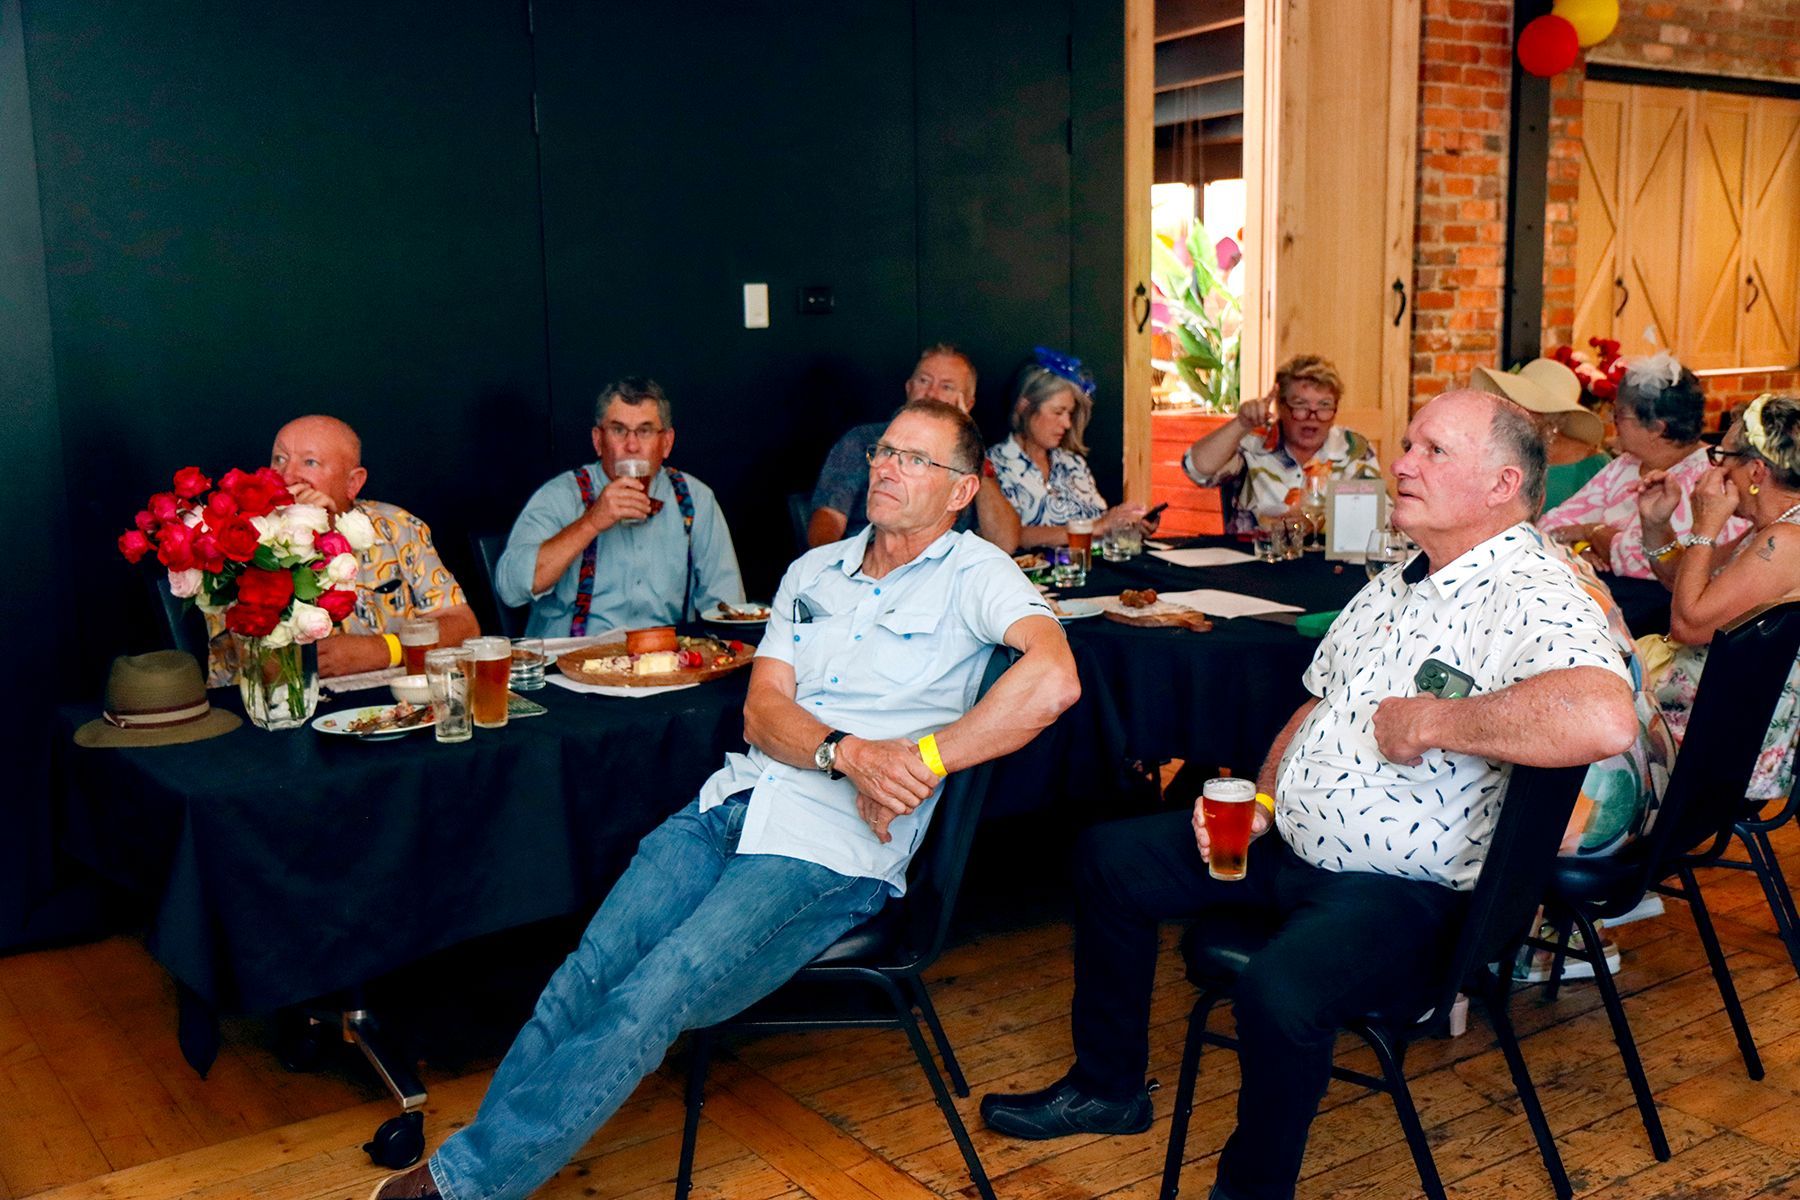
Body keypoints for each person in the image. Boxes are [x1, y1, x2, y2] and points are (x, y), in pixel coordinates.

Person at [369, 399, 1080, 1200]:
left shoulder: (975, 573)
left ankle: (461, 1186)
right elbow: (761, 713)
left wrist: (910, 762)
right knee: (584, 975)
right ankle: (478, 1169)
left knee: (647, 997)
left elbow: (1054, 680)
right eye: (885, 452)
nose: (886, 468)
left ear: (960, 491)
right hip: (732, 805)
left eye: (916, 460)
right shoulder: (814, 573)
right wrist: (849, 754)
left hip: (830, 848)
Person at [979, 389, 1637, 1200]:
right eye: (1407, 445)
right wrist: (1259, 804)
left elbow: (1603, 716)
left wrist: (1438, 719)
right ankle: (1109, 1088)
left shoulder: (1534, 591)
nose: (1401, 464)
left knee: (1278, 990)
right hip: (1293, 846)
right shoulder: (1402, 578)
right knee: (1109, 857)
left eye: (1432, 451)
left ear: (1502, 484)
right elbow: (1318, 705)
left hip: (1406, 892)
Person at [204, 415, 479, 683]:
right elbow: (267, 671)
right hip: (278, 712)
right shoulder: (241, 542)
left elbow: (463, 626)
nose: (287, 475)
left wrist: (384, 650)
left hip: (392, 702)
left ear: (353, 483)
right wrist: (303, 544)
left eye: (310, 462)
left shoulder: (398, 527)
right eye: (280, 459)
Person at [1636, 393, 1800, 801]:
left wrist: (1707, 523)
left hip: (1719, 743)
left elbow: (1689, 623)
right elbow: (1689, 585)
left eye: (1724, 456)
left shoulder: (1785, 543)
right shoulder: (1775, 530)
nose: (1717, 468)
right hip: (1714, 718)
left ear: (1757, 471)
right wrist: (1657, 525)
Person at [496, 377, 745, 637]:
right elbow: (510, 589)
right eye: (618, 430)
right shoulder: (561, 495)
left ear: (667, 442)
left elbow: (727, 609)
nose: (632, 446)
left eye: (645, 430)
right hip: (570, 665)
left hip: (665, 664)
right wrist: (591, 522)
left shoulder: (696, 499)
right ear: (597, 440)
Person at [1541, 352, 1748, 581]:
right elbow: (1551, 524)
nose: (1613, 422)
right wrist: (1583, 547)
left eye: (1619, 415)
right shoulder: (1624, 465)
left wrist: (1590, 530)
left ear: (1656, 428)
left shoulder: (1711, 476)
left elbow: (1655, 561)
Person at [806, 344, 1021, 552]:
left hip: (945, 579)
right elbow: (829, 518)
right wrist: (837, 573)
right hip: (871, 573)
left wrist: (967, 442)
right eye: (924, 381)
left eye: (946, 387)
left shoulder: (967, 459)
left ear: (968, 403)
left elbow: (1004, 542)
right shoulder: (863, 440)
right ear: (909, 387)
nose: (931, 393)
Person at [1182, 354, 1380, 532]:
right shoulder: (1252, 444)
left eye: (1324, 405)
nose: (1312, 416)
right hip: (1255, 565)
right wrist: (1240, 424)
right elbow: (1197, 469)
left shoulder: (1354, 448)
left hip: (1330, 568)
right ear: (1281, 407)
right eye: (1300, 405)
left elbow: (1380, 518)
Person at [988, 350, 1150, 548]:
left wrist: (1128, 526)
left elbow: (1102, 525)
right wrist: (1095, 526)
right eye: (1058, 412)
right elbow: (1010, 537)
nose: (1066, 423)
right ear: (1024, 407)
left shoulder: (1072, 463)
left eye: (1070, 414)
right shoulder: (994, 467)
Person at [1472, 358, 1609, 510]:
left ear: (1551, 415)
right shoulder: (1495, 444)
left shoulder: (1593, 465)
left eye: (1525, 403)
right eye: (1512, 399)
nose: (1514, 408)